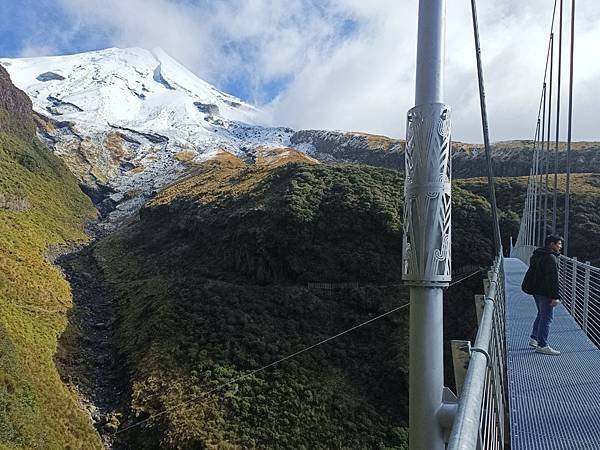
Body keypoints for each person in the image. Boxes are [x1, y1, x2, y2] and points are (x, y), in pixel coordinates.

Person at [521, 234, 563, 355]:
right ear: (552, 244)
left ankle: (534, 338)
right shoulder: (550, 258)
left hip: (536, 290)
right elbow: (552, 279)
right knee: (547, 318)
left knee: (541, 314)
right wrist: (555, 297)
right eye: (559, 244)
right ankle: (542, 345)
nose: (560, 246)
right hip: (545, 292)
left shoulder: (537, 255)